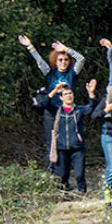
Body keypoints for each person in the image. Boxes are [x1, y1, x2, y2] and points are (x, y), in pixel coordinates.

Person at [18, 35, 86, 169]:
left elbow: (81, 59)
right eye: (60, 59)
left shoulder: (72, 74)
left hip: (67, 113)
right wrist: (30, 46)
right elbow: (39, 61)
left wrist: (66, 49)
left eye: (66, 60)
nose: (63, 62)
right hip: (51, 112)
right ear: (56, 61)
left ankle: (63, 177)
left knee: (66, 144)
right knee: (52, 144)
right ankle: (50, 175)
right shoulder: (50, 73)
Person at [48, 80, 98, 194]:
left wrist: (91, 93)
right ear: (61, 98)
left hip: (77, 147)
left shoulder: (79, 110)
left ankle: (82, 194)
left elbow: (91, 107)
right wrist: (55, 90)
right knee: (62, 175)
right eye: (66, 94)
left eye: (70, 93)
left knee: (80, 174)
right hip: (61, 148)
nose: (69, 96)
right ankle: (63, 196)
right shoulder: (57, 110)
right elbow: (45, 103)